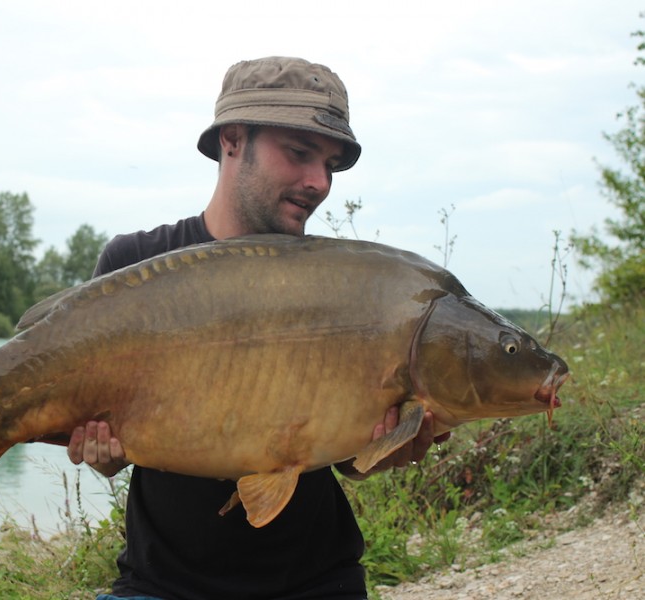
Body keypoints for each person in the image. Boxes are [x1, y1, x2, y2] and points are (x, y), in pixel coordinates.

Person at [67, 56, 449, 600]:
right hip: (162, 585)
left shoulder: (341, 285)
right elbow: (108, 446)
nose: (318, 182)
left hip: (316, 584)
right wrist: (104, 453)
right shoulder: (137, 265)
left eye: (331, 166)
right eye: (299, 154)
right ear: (232, 139)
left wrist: (388, 446)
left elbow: (346, 460)